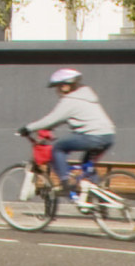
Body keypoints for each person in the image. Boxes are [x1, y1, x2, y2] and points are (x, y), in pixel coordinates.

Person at [24, 63, 116, 191]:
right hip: (108, 136)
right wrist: (50, 128)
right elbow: (61, 120)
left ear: (65, 86)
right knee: (86, 166)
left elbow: (51, 119)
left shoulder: (70, 101)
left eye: (58, 87)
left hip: (92, 136)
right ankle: (99, 200)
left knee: (58, 148)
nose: (57, 90)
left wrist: (28, 128)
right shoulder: (86, 96)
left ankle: (65, 182)